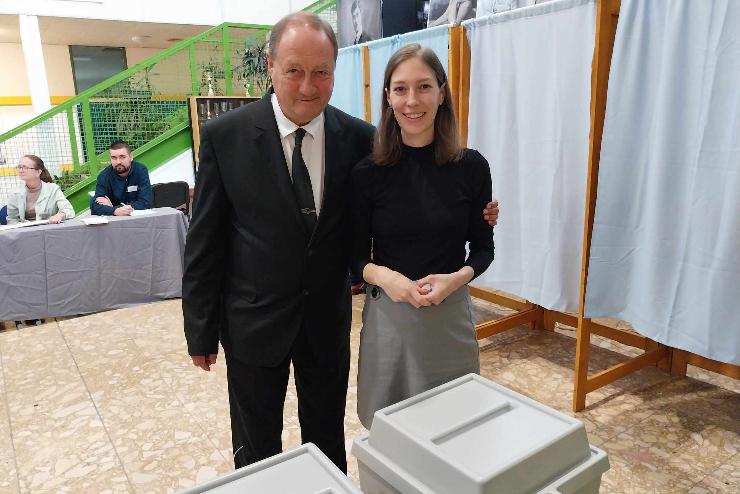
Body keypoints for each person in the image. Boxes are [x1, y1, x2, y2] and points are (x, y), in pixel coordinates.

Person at [182, 12, 499, 473]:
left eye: (321, 71)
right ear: (270, 65)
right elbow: (205, 242)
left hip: (326, 322)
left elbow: (389, 210)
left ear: (335, 70)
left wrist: (477, 214)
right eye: (294, 70)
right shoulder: (225, 137)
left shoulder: (358, 139)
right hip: (253, 322)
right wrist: (200, 329)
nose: (307, 86)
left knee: (327, 438)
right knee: (255, 446)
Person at [351, 44, 494, 428]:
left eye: (424, 86)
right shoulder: (368, 173)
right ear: (387, 97)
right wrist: (386, 277)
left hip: (449, 317)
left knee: (455, 426)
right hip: (390, 318)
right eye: (400, 89)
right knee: (388, 428)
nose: (412, 101)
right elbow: (354, 256)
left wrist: (455, 279)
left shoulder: (472, 167)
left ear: (442, 93)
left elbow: (484, 249)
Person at [6, 154, 74, 224]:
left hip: (49, 227)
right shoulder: (15, 193)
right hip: (25, 229)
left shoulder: (53, 189)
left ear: (38, 172)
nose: (21, 170)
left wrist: (60, 215)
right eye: (19, 167)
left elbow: (68, 210)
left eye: (25, 167)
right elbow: (12, 219)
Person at [90, 140, 152, 216]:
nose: (118, 162)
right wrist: (115, 211)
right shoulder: (104, 176)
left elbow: (146, 203)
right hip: (114, 221)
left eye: (122, 157)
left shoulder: (140, 170)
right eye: (114, 158)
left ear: (131, 157)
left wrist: (113, 208)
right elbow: (96, 207)